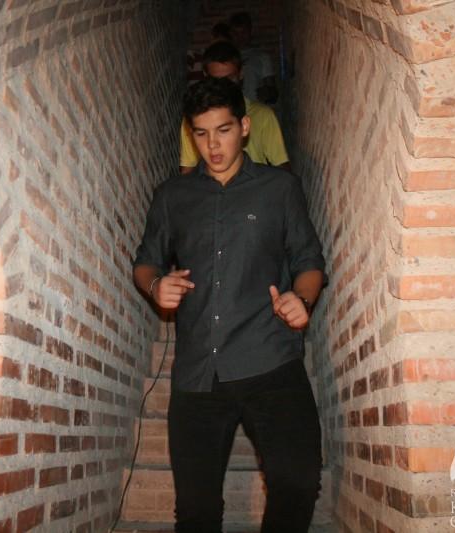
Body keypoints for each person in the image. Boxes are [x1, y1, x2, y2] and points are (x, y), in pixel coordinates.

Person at [133, 76, 326, 533]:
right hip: (199, 370)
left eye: (222, 130)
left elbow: (309, 260)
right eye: (201, 134)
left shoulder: (280, 189)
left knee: (298, 481)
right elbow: (145, 262)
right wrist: (156, 285)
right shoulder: (172, 196)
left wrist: (302, 298)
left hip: (270, 357)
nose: (213, 145)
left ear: (244, 126)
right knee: (196, 509)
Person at [180, 41, 289, 174]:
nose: (223, 86)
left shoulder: (263, 115)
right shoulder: (195, 119)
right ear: (206, 77)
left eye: (229, 79)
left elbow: (281, 166)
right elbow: (187, 170)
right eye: (216, 80)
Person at [229, 11, 278, 105]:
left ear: (250, 32)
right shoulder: (225, 57)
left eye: (244, 32)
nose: (240, 37)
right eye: (236, 33)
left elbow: (273, 93)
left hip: (255, 109)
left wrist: (268, 92)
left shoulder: (262, 57)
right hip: (232, 111)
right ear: (231, 34)